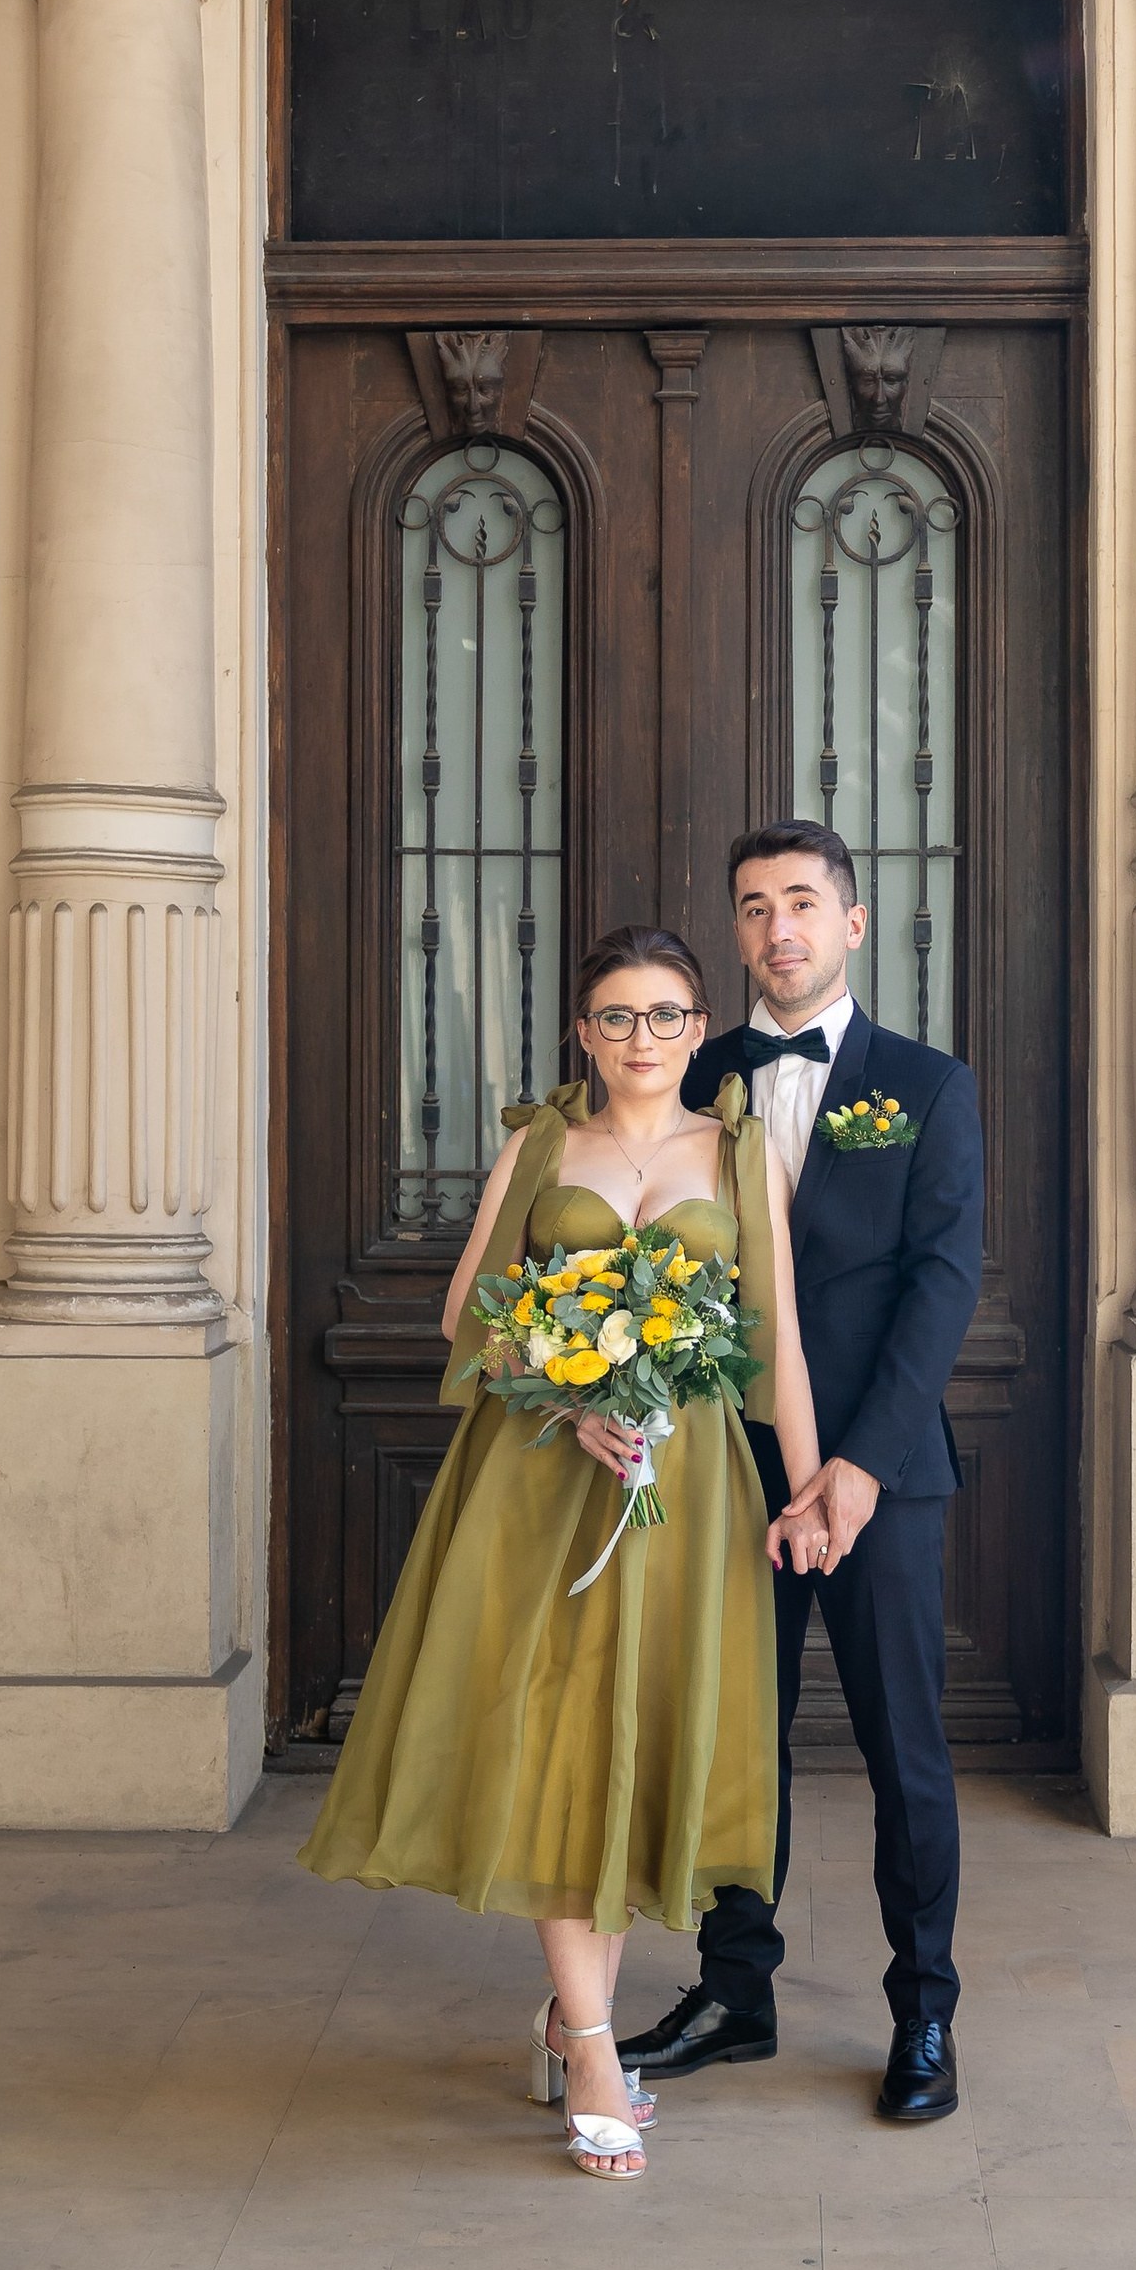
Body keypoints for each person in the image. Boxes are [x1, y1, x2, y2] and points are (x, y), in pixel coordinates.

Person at [296, 925, 819, 2180]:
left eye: (668, 1016)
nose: (644, 1039)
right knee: (554, 1743)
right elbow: (465, 1315)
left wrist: (805, 1496)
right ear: (583, 1032)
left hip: (683, 1488)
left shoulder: (737, 1151)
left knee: (631, 1744)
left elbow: (779, 1335)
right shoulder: (542, 1145)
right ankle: (590, 2044)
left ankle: (569, 2020)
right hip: (542, 1481)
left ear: (701, 1028)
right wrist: (567, 1386)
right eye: (618, 1017)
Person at [607, 825, 983, 2125]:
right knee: (730, 1742)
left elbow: (942, 1288)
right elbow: (638, 1263)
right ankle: (734, 1989)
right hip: (724, 1470)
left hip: (880, 1480)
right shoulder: (693, 1075)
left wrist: (863, 1469)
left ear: (854, 923)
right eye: (756, 907)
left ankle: (924, 2011)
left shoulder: (926, 1086)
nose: (780, 929)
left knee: (906, 1755)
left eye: (804, 904)